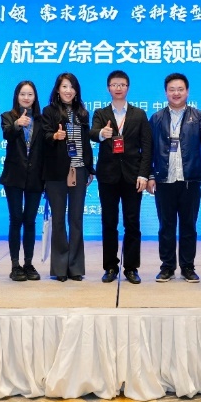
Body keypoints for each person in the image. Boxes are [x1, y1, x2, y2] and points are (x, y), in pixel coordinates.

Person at [148, 73, 201, 283]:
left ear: (187, 91)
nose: (176, 93)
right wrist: (150, 175)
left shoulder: (199, 115)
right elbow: (149, 150)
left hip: (189, 180)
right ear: (166, 92)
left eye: (180, 89)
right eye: (172, 89)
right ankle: (167, 267)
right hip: (164, 180)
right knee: (165, 226)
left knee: (188, 226)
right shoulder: (156, 118)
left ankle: (188, 267)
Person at [90, 70, 152, 285]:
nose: (118, 88)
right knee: (109, 222)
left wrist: (144, 174)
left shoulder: (139, 114)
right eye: (114, 84)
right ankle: (110, 267)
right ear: (108, 88)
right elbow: (92, 133)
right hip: (108, 177)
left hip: (133, 177)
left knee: (132, 223)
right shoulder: (100, 113)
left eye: (122, 84)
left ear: (128, 88)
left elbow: (147, 146)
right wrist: (102, 134)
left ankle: (132, 268)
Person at [41, 73, 94, 281]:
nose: (68, 91)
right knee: (59, 220)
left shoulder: (83, 113)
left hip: (79, 170)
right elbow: (44, 136)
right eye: (64, 86)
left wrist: (89, 168)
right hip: (56, 172)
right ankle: (60, 268)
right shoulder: (49, 111)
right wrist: (55, 136)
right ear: (57, 89)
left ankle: (76, 267)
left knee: (76, 219)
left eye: (72, 87)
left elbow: (86, 143)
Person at [0, 80, 44, 282]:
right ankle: (15, 265)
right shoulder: (8, 117)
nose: (26, 98)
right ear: (17, 96)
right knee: (16, 219)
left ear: (35, 98)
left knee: (30, 220)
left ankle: (28, 263)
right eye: (23, 94)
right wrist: (18, 124)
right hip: (14, 176)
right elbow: (7, 134)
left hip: (35, 176)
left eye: (30, 94)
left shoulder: (41, 120)